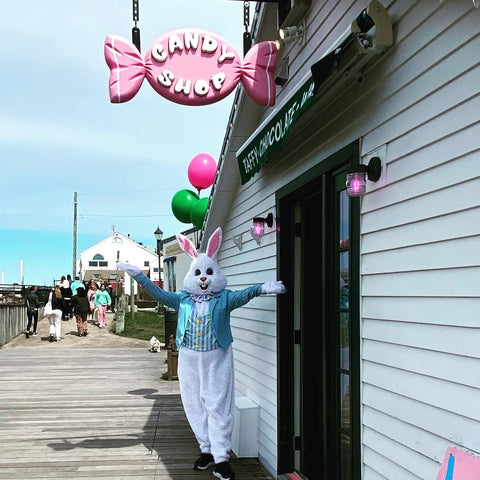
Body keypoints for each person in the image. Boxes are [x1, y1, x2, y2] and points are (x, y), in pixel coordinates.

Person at [117, 227, 286, 480]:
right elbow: (159, 294)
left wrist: (262, 287)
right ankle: (206, 450)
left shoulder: (224, 299)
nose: (204, 278)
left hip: (216, 358)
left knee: (218, 404)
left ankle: (221, 458)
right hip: (188, 359)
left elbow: (244, 295)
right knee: (194, 404)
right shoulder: (183, 301)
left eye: (208, 272)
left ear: (215, 273)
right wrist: (139, 276)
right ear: (192, 274)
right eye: (198, 272)